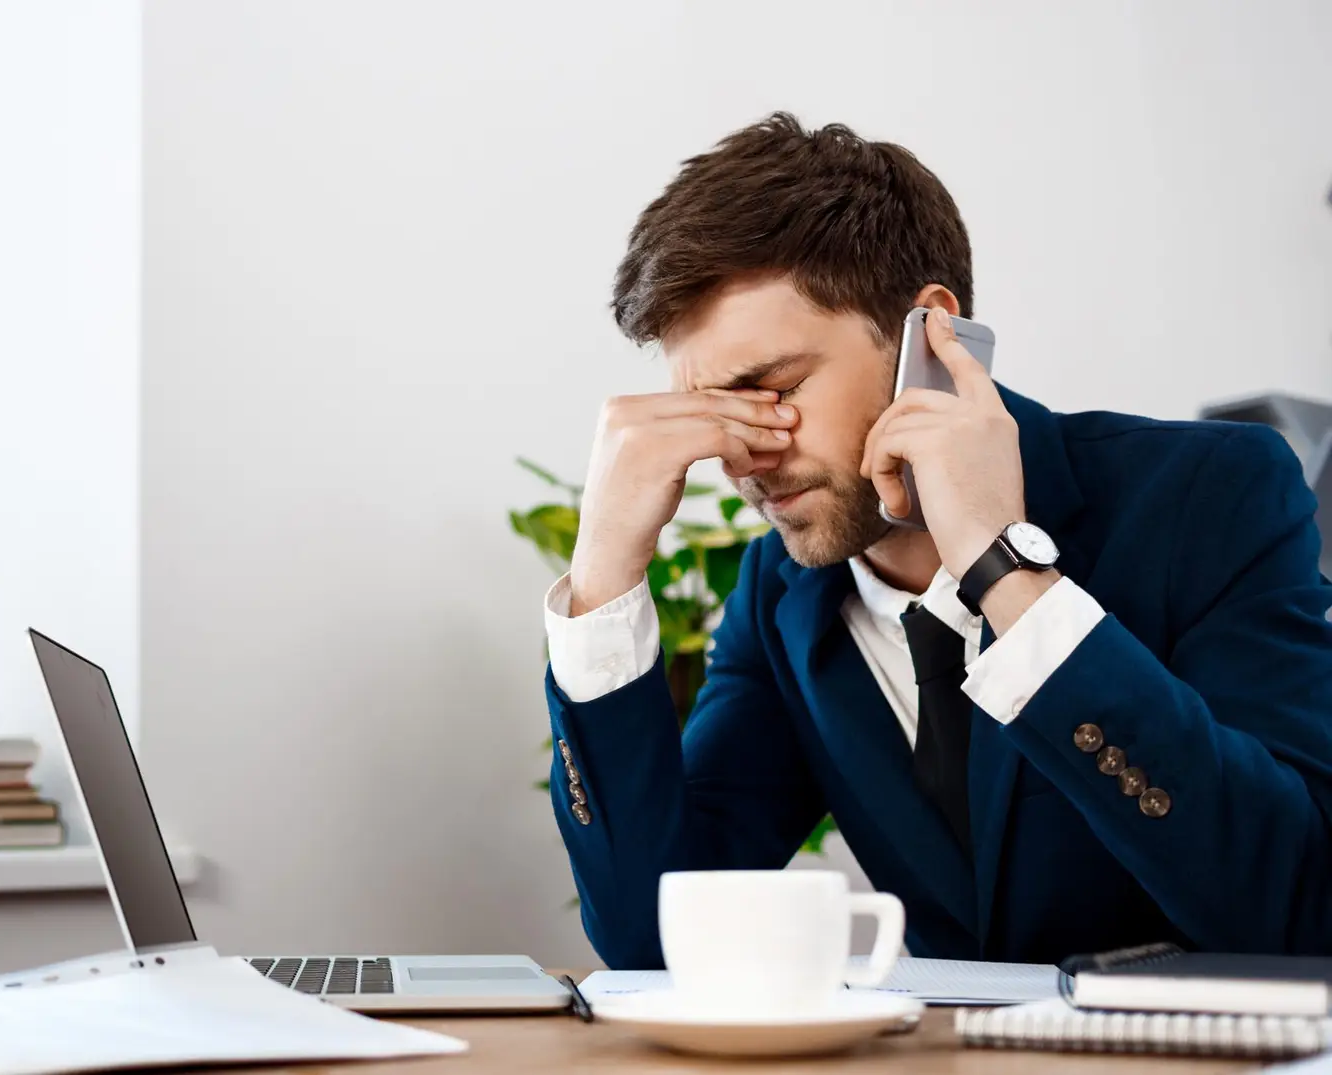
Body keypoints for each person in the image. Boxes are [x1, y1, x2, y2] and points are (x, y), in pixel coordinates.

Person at [546, 112, 1332, 967]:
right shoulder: (783, 596)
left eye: (768, 390)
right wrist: (602, 580)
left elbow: (1301, 902)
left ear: (931, 335)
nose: (739, 454)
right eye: (709, 410)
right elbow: (654, 940)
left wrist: (1004, 567)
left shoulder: (1208, 496)